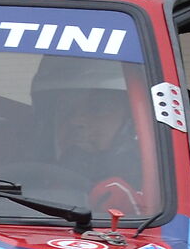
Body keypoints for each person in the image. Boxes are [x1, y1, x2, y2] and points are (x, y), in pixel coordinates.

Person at [30, 55, 145, 206]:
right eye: (66, 109)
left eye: (98, 109)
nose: (76, 120)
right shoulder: (23, 183)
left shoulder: (156, 197)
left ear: (129, 124)